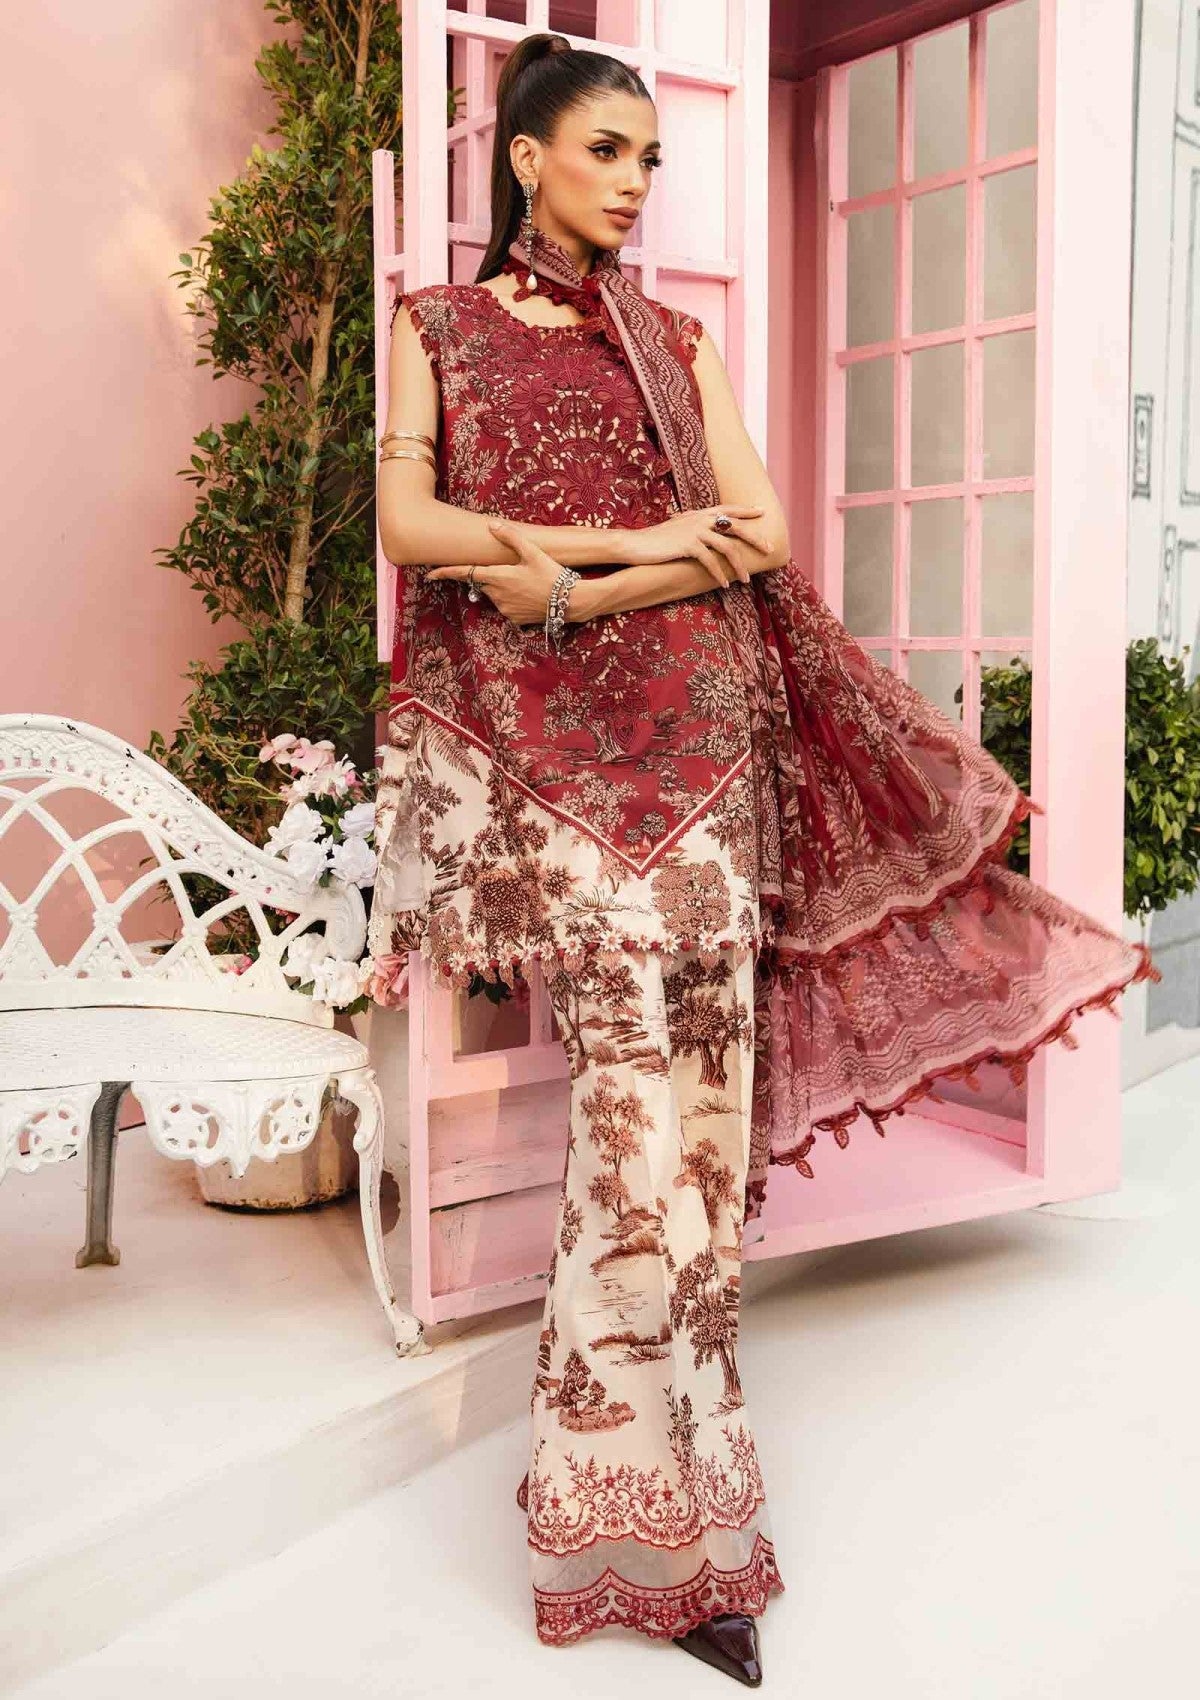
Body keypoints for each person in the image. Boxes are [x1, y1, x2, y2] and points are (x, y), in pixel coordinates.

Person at [369, 30, 1158, 1683]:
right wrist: (638, 549)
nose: (633, 184)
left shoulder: (680, 342)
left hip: (707, 762)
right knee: (626, 1141)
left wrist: (576, 581)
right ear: (526, 157)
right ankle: (615, 1516)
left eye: (649, 159)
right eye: (605, 151)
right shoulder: (434, 327)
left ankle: (698, 1527)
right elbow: (416, 532)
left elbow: (762, 538)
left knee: (703, 1147)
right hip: (558, 782)